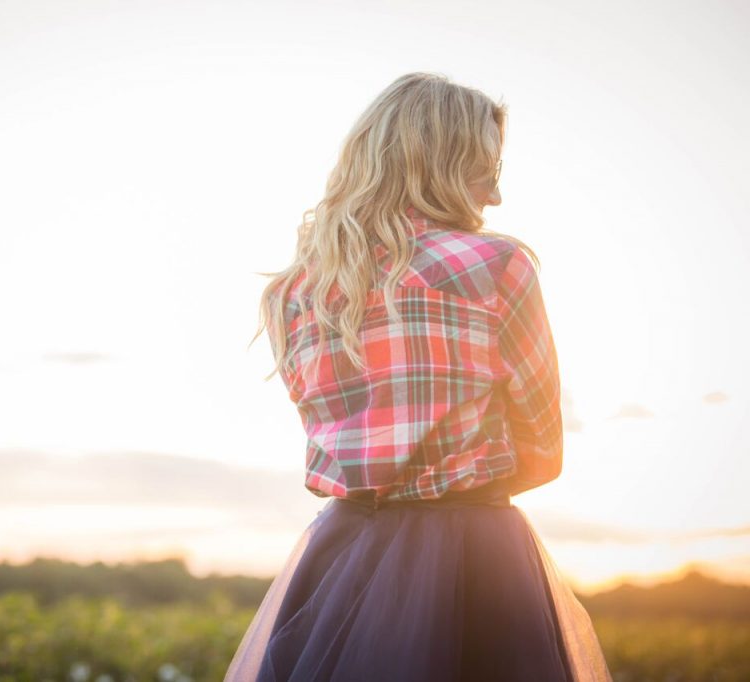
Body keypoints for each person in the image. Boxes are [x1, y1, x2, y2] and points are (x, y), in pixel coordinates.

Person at [226, 73, 613, 681]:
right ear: (440, 162)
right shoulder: (498, 266)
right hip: (479, 554)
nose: (496, 198)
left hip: (340, 558)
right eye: (487, 168)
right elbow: (542, 451)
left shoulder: (292, 291)